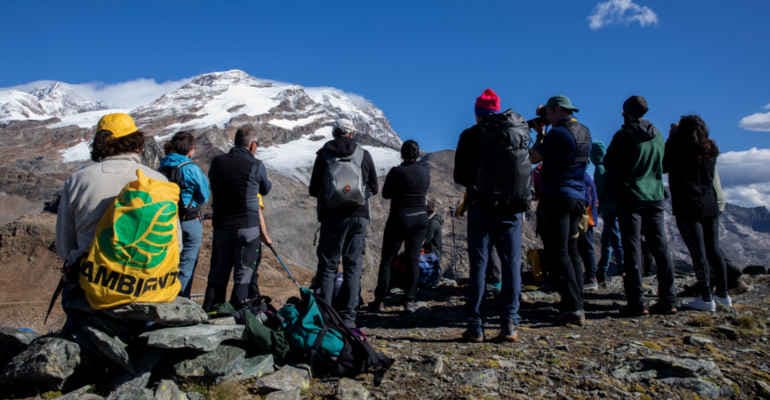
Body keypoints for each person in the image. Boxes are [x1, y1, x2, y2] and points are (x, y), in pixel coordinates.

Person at [56, 113, 170, 327]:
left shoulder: (78, 180)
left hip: (92, 288)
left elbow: (64, 247)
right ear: (137, 144)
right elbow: (176, 244)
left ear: (99, 145)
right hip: (148, 287)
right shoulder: (158, 181)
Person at [454, 88, 530, 342]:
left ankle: (475, 325)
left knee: (480, 264)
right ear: (496, 110)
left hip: (481, 206)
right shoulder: (515, 134)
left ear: (477, 113)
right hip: (511, 209)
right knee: (511, 265)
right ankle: (510, 323)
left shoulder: (470, 135)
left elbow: (460, 176)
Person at [605, 95, 677, 316]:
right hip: (655, 194)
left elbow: (610, 163)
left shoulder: (624, 135)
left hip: (631, 196)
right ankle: (669, 298)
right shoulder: (657, 135)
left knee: (632, 247)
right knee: (660, 246)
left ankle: (636, 301)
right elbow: (664, 165)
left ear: (625, 112)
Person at [309, 119, 378, 328]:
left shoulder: (324, 154)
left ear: (334, 132)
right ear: (352, 133)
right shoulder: (363, 154)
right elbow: (374, 187)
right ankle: (349, 317)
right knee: (353, 265)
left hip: (332, 216)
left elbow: (313, 189)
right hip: (359, 215)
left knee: (329, 266)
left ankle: (327, 317)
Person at [530, 95, 591, 326]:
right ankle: (577, 301)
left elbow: (535, 157)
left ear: (556, 110)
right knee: (572, 250)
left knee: (559, 252)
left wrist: (540, 134)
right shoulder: (584, 131)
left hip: (558, 195)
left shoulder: (557, 134)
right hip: (578, 196)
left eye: (548, 112)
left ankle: (572, 306)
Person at [664, 116, 731, 311]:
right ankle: (723, 294)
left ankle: (706, 296)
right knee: (714, 249)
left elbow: (664, 166)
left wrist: (670, 139)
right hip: (710, 202)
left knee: (698, 252)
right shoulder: (710, 149)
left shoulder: (678, 150)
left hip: (687, 204)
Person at [204, 125, 272, 311]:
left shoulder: (217, 162)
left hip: (222, 225)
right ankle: (237, 315)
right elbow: (265, 188)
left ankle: (210, 310)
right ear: (252, 145)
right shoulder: (256, 165)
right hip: (247, 227)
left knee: (218, 273)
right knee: (244, 274)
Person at [371, 140, 430, 313]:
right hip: (420, 218)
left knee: (388, 259)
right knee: (413, 259)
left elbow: (386, 194)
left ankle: (380, 300)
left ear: (402, 154)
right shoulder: (425, 171)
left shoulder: (397, 172)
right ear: (418, 154)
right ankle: (409, 300)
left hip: (399, 217)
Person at [158, 131, 210, 298]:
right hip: (189, 220)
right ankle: (179, 301)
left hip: (166, 220)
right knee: (186, 264)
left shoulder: (162, 167)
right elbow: (204, 194)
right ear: (190, 149)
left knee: (165, 263)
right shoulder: (191, 169)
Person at [590, 142, 624, 284]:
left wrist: (596, 207)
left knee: (611, 238)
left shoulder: (599, 169)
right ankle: (607, 268)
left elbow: (599, 189)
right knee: (610, 238)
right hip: (615, 206)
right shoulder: (610, 166)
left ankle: (615, 267)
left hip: (608, 207)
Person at [580, 172, 599, 291]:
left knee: (586, 246)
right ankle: (590, 276)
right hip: (588, 216)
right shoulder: (586, 177)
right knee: (586, 247)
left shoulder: (583, 177)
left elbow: (587, 200)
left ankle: (591, 277)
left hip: (586, 217)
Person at [422, 198, 444, 263]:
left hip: (433, 254)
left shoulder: (433, 223)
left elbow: (426, 240)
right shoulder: (432, 220)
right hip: (431, 251)